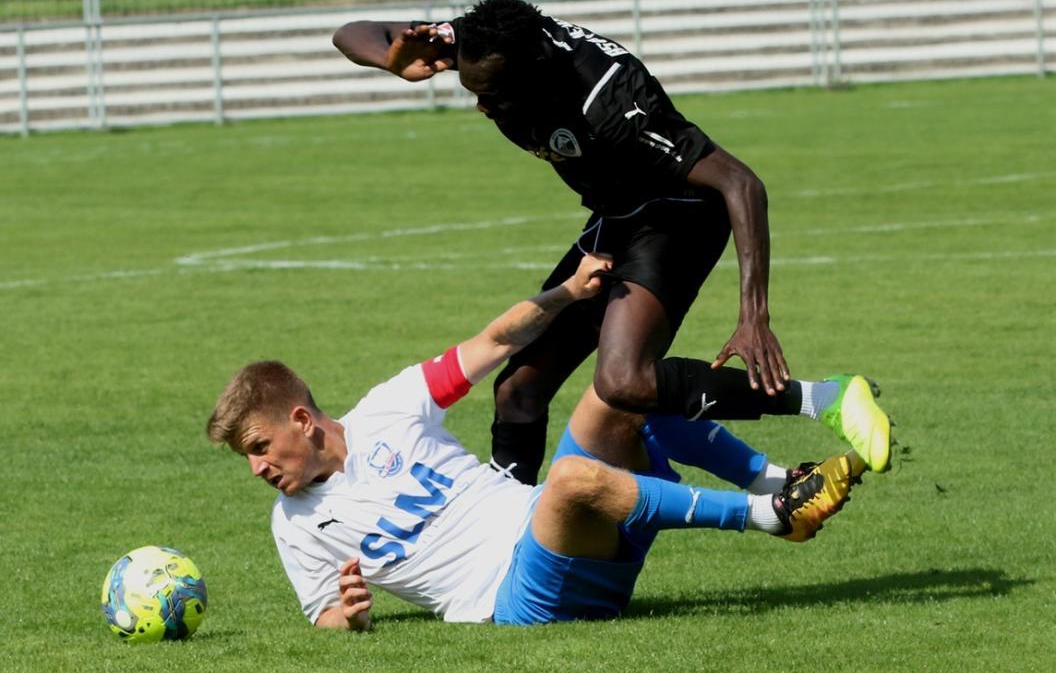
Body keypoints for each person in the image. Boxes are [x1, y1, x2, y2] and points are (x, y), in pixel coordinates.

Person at [332, 0, 892, 484]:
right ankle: (511, 538)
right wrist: (391, 58)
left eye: (494, 96)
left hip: (676, 213)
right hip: (617, 214)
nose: (482, 106)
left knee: (623, 381)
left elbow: (740, 183)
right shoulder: (487, 39)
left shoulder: (612, 96)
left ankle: (827, 398)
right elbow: (348, 33)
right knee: (517, 392)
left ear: (535, 75)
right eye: (471, 89)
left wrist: (754, 315)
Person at [206, 254, 872, 629]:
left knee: (624, 395)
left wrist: (567, 292)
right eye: (249, 457)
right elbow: (322, 611)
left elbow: (494, 341)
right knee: (569, 481)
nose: (259, 466)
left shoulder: (389, 407)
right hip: (517, 594)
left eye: (260, 445)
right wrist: (345, 615)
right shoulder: (295, 522)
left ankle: (772, 480)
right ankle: (771, 518)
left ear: (301, 418)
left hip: (565, 530)